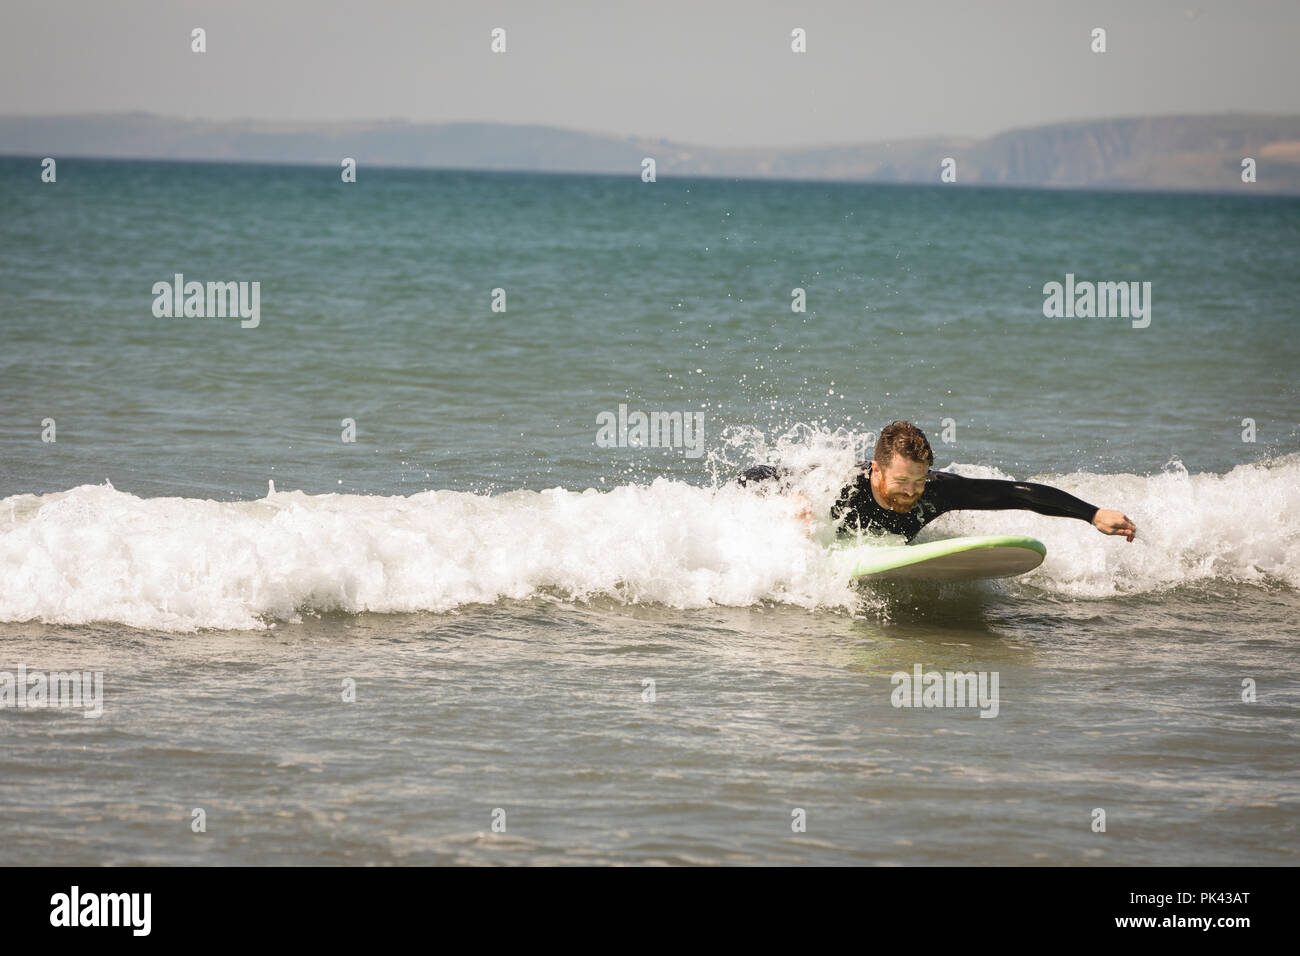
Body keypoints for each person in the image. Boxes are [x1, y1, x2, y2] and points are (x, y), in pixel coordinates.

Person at [739, 420, 1136, 543]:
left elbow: (1015, 493)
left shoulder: (937, 491)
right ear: (876, 470)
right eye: (901, 481)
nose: (912, 491)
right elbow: (752, 476)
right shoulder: (841, 480)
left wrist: (1093, 514)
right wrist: (790, 503)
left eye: (919, 481)